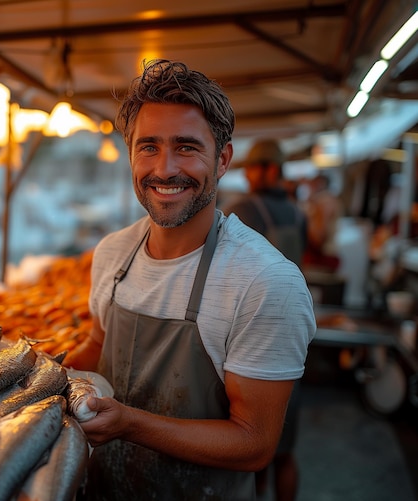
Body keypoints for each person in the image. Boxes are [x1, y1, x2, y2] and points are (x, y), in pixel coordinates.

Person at [63, 59, 316, 501]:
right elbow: (97, 349)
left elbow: (254, 444)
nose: (164, 169)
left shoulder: (265, 283)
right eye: (148, 147)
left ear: (222, 159)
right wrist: (37, 370)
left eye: (185, 147)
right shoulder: (111, 254)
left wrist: (130, 423)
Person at [222, 139, 309, 501]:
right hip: (290, 333)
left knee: (253, 448)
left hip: (252, 333)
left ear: (272, 170)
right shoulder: (297, 212)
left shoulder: (244, 209)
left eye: (255, 168)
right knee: (285, 451)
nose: (248, 175)